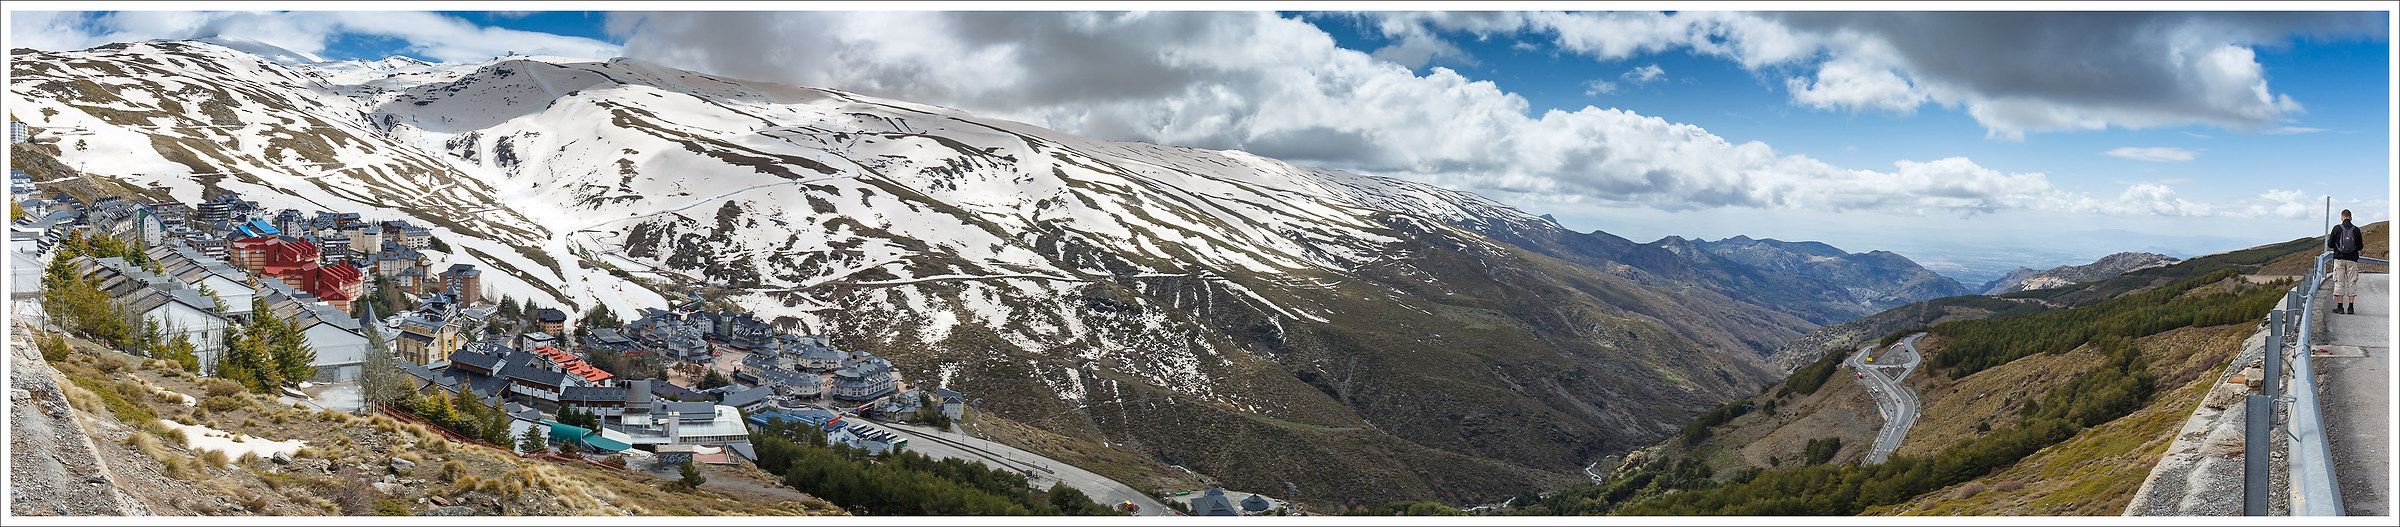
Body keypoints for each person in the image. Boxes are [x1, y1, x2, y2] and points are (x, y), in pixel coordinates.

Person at [2327, 209, 2364, 314]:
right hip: (2352, 260)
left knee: (2339, 282)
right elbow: (2360, 247)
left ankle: (2340, 308)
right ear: (2351, 218)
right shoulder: (2356, 230)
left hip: (2339, 259)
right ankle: (2351, 308)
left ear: (2342, 218)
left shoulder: (2336, 228)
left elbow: (2330, 244)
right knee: (2352, 282)